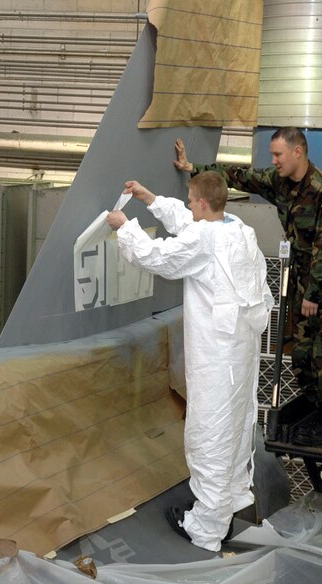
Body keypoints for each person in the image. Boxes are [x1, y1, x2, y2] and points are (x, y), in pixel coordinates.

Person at [106, 172, 273, 552]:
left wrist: (125, 228)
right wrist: (150, 198)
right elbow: (192, 227)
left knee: (209, 436)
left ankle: (206, 529)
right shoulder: (237, 229)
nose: (189, 204)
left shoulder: (205, 239)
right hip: (239, 354)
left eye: (189, 199)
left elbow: (160, 257)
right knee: (231, 432)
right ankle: (225, 510)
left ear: (199, 201)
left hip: (217, 357)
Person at [173, 129, 322, 447]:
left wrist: (312, 294)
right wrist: (194, 168)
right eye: (272, 155)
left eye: (278, 155)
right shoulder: (279, 181)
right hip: (302, 283)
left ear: (298, 152)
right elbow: (240, 176)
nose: (273, 161)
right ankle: (314, 409)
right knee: (300, 353)